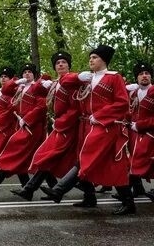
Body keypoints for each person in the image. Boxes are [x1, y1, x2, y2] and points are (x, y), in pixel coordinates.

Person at [41, 45, 134, 215]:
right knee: (113, 166)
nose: (90, 60)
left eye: (95, 57)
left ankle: (59, 190)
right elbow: (65, 80)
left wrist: (100, 115)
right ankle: (127, 202)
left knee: (86, 157)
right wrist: (78, 76)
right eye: (90, 57)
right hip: (90, 126)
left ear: (104, 60)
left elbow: (122, 103)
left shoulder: (114, 78)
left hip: (107, 126)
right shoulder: (88, 78)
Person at [11, 51, 79, 201]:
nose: (60, 65)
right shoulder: (56, 83)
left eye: (64, 62)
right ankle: (32, 189)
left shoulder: (72, 82)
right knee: (51, 158)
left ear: (69, 66)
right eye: (57, 63)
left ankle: (31, 189)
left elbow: (75, 108)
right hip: (60, 126)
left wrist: (62, 122)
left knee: (52, 157)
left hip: (69, 127)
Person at [0, 64, 48, 193]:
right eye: (24, 72)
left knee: (13, 153)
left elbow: (41, 106)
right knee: (23, 158)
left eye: (30, 72)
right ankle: (30, 189)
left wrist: (27, 119)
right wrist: (16, 82)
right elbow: (5, 89)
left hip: (32, 127)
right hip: (21, 126)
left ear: (34, 74)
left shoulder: (37, 87)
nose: (27, 74)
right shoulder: (20, 88)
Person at [124, 61, 153, 198]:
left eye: (147, 73)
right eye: (141, 74)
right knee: (133, 162)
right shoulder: (134, 93)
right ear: (137, 78)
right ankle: (135, 190)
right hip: (136, 135)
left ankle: (125, 194)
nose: (144, 76)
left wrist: (140, 125)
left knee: (139, 163)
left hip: (150, 134)